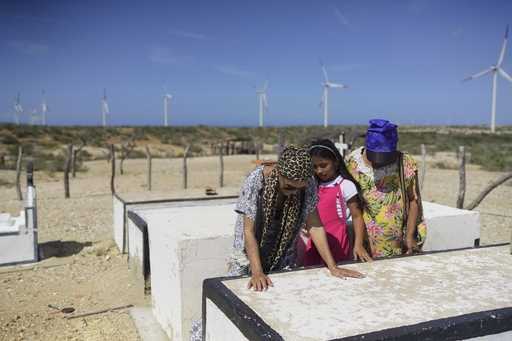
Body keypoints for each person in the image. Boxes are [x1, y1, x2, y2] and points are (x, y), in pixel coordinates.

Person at [227, 145, 364, 291]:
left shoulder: (309, 183)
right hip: (249, 255)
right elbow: (248, 231)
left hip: (283, 254)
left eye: (299, 189)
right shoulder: (256, 181)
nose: (294, 193)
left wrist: (333, 266)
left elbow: (315, 226)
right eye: (289, 187)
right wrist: (257, 272)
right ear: (279, 172)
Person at [346, 119, 427, 258]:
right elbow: (353, 206)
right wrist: (358, 243)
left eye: (384, 157)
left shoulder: (405, 163)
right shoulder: (353, 163)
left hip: (401, 243)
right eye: (375, 156)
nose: (379, 161)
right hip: (365, 244)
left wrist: (409, 236)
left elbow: (414, 200)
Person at [299, 139, 372, 266]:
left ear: (336, 162)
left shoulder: (346, 185)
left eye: (323, 165)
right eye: (315, 167)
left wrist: (358, 245)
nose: (319, 171)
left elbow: (357, 216)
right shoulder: (311, 186)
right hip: (314, 242)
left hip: (338, 244)